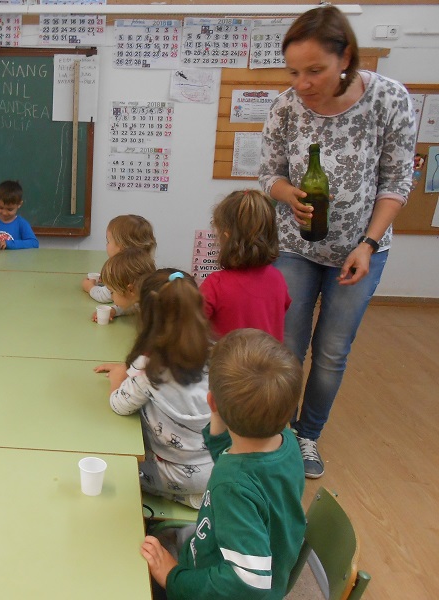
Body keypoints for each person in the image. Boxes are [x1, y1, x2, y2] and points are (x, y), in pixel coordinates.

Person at [258, 5, 417, 478]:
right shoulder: (286, 107)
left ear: (345, 57)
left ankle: (308, 435)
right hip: (295, 246)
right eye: (294, 72)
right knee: (288, 346)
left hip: (361, 249)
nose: (303, 83)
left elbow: (395, 182)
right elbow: (269, 174)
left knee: (331, 351)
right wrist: (288, 194)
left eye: (315, 70)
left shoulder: (389, 99)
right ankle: (280, 434)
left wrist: (368, 243)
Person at [141, 329, 306, 600]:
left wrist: (172, 577)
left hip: (222, 587)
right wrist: (217, 420)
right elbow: (237, 459)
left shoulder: (232, 485)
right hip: (253, 560)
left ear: (211, 402)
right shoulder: (285, 442)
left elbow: (249, 583)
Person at [94, 270, 212, 509]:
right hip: (217, 463)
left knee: (118, 468)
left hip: (179, 474)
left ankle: (185, 498)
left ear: (146, 316)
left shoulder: (150, 369)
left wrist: (117, 379)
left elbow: (119, 404)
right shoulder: (216, 351)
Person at [199, 189, 290, 342]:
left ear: (226, 236)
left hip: (230, 357)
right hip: (269, 357)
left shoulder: (215, 284)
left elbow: (192, 325)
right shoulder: (278, 278)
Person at [81, 214, 156, 315]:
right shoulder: (145, 265)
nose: (106, 245)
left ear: (121, 247)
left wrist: (90, 287)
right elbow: (134, 303)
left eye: (108, 241)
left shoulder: (122, 270)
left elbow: (104, 296)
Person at [89, 247, 155, 323]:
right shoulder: (143, 298)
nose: (111, 297)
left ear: (130, 290)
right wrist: (113, 310)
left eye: (112, 292)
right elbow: (134, 306)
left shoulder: (155, 310)